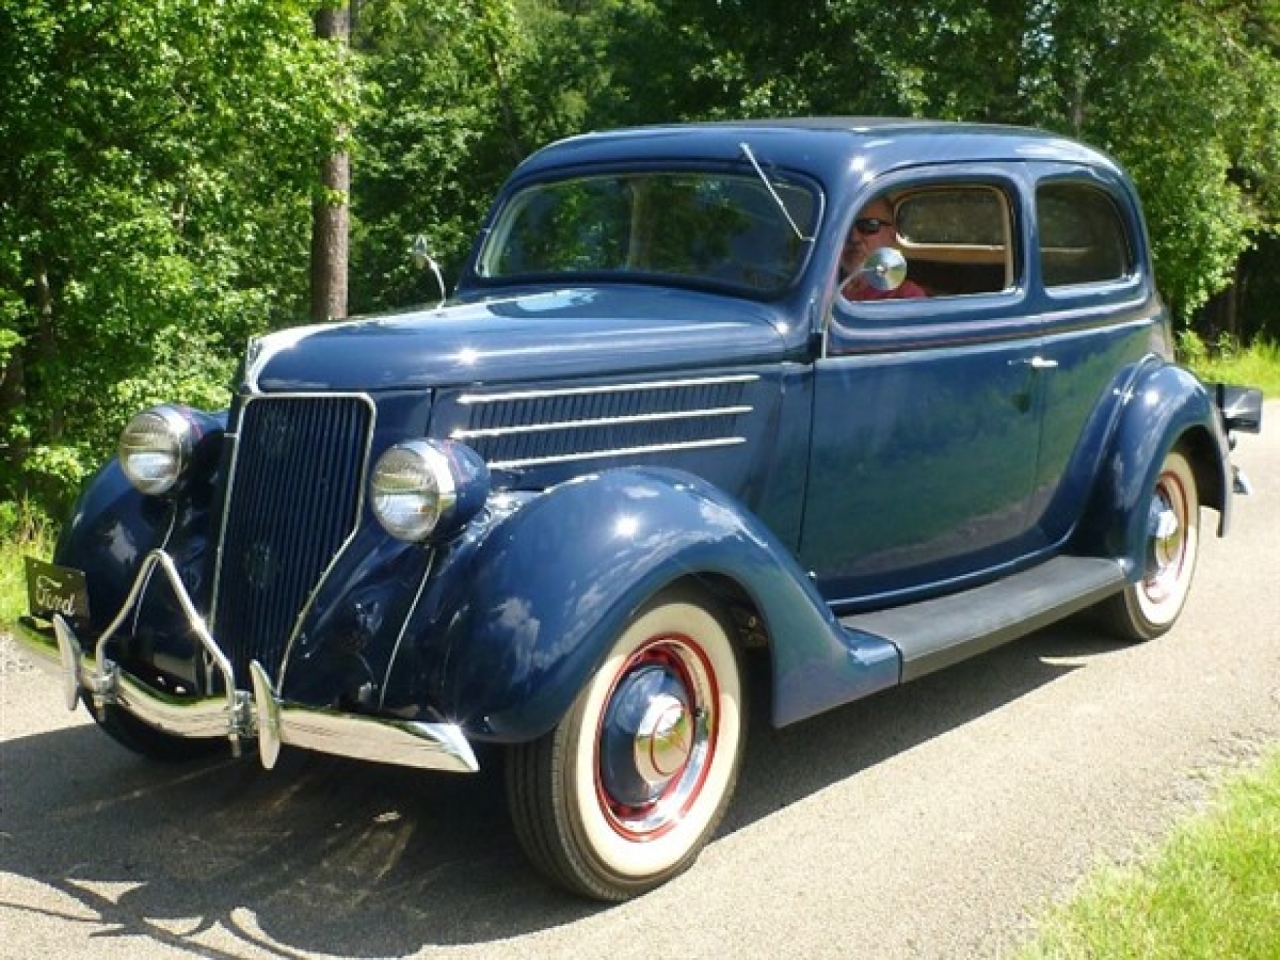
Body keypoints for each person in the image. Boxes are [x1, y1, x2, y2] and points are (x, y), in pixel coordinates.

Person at [839, 197, 927, 301]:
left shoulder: (905, 297)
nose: (854, 238)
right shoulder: (819, 287)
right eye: (843, 227)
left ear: (892, 236)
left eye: (869, 225)